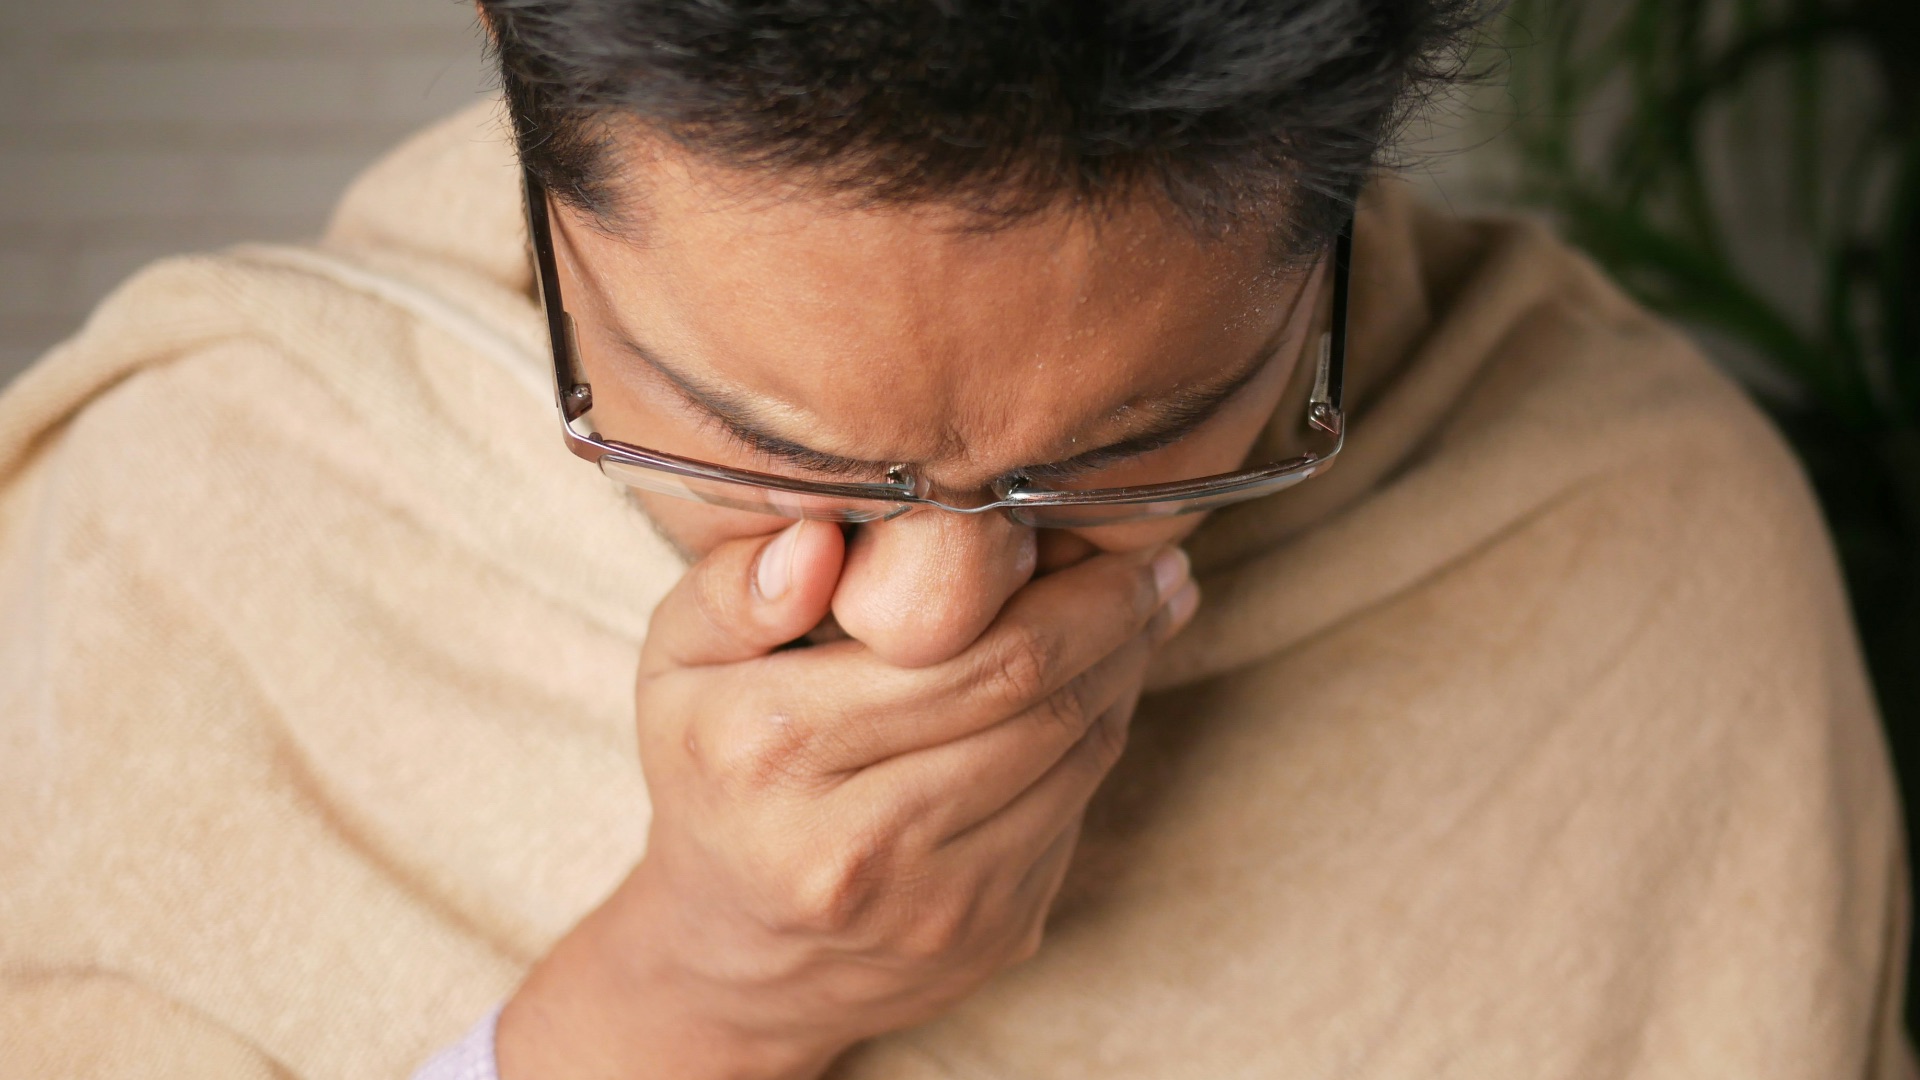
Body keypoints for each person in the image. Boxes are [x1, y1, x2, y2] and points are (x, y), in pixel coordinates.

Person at [0, 1, 1909, 1077]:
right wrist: (682, 1000)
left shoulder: (1648, 560)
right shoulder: (186, 521)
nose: (936, 623)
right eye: (751, 440)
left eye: (1153, 442)